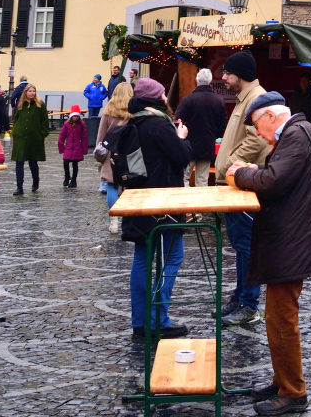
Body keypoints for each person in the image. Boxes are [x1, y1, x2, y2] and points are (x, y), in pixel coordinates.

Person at [229, 92, 311, 416]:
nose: (259, 135)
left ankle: (293, 393)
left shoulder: (296, 137)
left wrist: (240, 174)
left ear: (271, 117)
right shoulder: (298, 133)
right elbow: (281, 176)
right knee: (278, 318)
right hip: (292, 241)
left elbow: (274, 181)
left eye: (258, 127)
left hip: (292, 244)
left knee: (282, 320)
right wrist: (254, 168)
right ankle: (281, 381)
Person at [113, 77, 192, 339]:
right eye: (164, 95)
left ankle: (140, 321)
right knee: (172, 256)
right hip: (164, 201)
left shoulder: (134, 119)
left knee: (142, 258)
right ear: (158, 97)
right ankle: (159, 319)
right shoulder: (159, 123)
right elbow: (181, 157)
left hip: (139, 200)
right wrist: (182, 137)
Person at [214, 50, 271, 325]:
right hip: (235, 184)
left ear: (242, 75)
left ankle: (249, 305)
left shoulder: (256, 99)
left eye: (228, 73)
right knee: (240, 245)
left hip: (243, 184)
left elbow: (257, 141)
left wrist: (231, 167)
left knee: (247, 246)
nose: (223, 77)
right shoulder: (244, 99)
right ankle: (240, 298)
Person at [176, 68, 227, 187]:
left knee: (184, 179)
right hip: (207, 146)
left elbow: (178, 121)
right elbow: (223, 125)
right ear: (210, 82)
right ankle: (201, 204)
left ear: (196, 81)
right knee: (202, 181)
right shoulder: (219, 101)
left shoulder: (187, 100)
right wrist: (213, 136)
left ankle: (186, 204)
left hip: (188, 146)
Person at [94, 91, 133, 231]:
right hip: (129, 152)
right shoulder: (133, 111)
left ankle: (114, 222)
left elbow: (101, 134)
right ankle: (129, 220)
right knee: (130, 186)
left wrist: (99, 152)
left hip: (111, 151)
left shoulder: (109, 110)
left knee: (111, 185)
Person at [8, 87, 47, 195]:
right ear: (26, 92)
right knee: (19, 162)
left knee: (33, 162)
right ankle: (19, 187)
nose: (32, 93)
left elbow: (45, 120)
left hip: (34, 138)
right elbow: (16, 118)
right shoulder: (20, 104)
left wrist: (43, 133)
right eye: (30, 91)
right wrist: (15, 130)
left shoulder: (40, 105)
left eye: (33, 91)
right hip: (20, 137)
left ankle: (35, 181)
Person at [57, 106, 88, 188]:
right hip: (68, 147)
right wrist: (61, 147)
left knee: (75, 164)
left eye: (77, 116)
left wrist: (84, 149)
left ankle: (74, 180)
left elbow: (84, 137)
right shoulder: (67, 124)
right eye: (74, 116)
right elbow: (62, 136)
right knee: (66, 162)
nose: (75, 118)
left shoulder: (82, 124)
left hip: (77, 147)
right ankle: (67, 176)